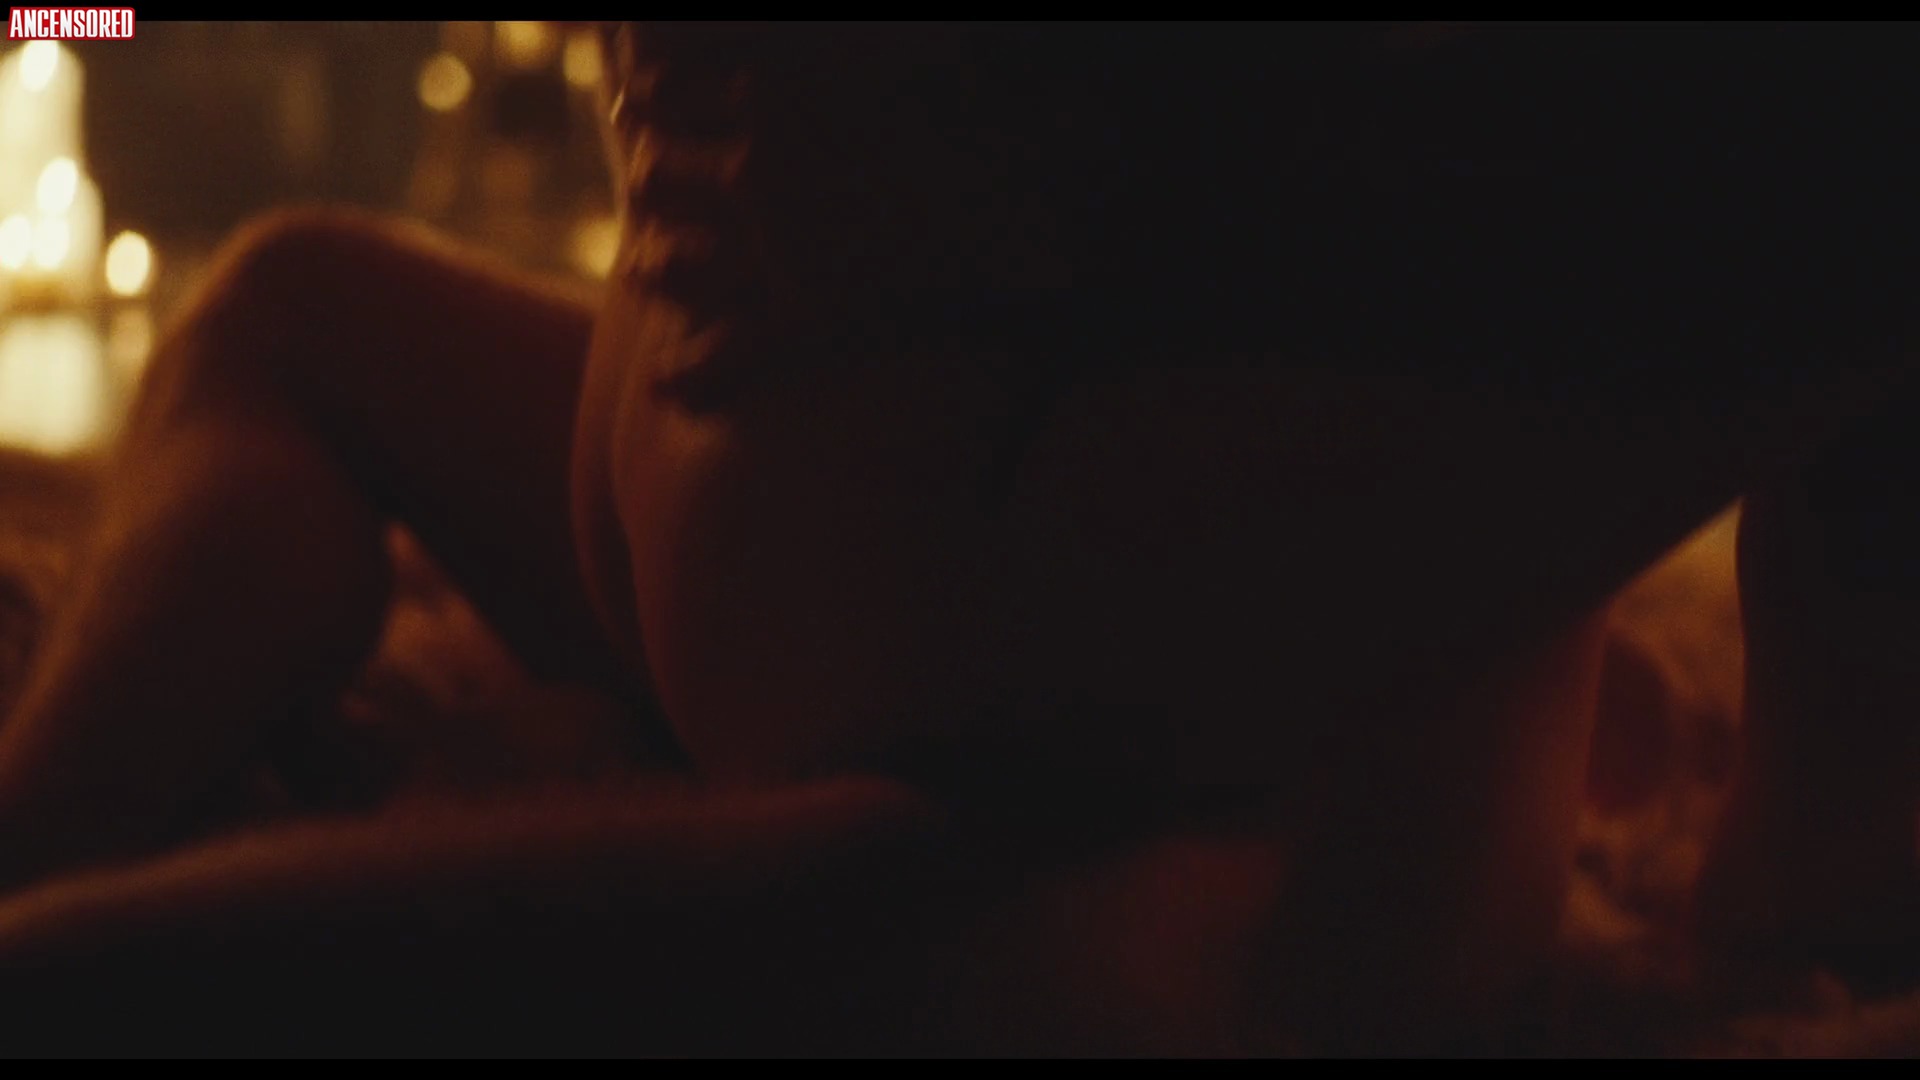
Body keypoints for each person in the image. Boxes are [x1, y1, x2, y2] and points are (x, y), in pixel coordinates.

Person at [0, 22, 1913, 1054]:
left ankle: (46, 817)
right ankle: (1824, 844)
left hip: (705, 418)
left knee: (295, 311)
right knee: (1157, 929)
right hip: (985, 528)